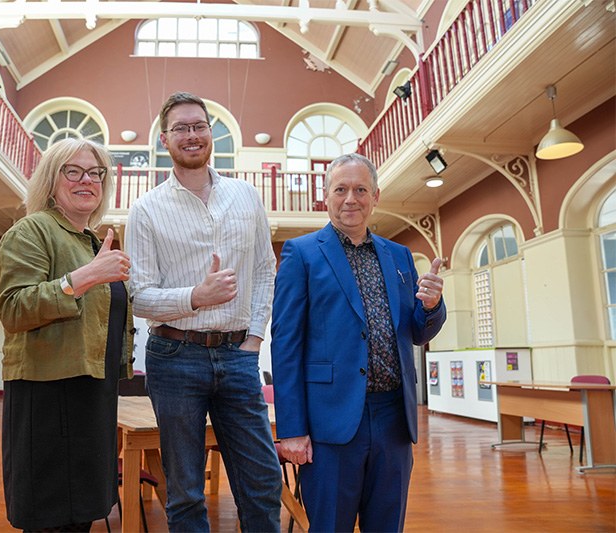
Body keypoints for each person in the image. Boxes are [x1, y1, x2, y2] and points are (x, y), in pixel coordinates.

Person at [126, 91, 282, 532]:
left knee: (262, 480)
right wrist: (196, 296)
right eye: (181, 128)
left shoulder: (246, 196)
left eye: (199, 126)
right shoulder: (146, 209)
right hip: (174, 357)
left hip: (238, 356)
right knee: (186, 490)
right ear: (164, 139)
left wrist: (253, 339)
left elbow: (265, 271)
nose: (191, 135)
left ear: (210, 132)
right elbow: (139, 297)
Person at [271, 153, 446, 533]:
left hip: (394, 419)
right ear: (326, 196)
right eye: (341, 189)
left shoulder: (398, 255)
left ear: (375, 196)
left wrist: (431, 306)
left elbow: (416, 331)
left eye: (360, 189)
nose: (351, 198)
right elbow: (285, 344)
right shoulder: (300, 254)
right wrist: (292, 429)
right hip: (329, 421)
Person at [0, 138, 134, 532]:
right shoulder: (32, 231)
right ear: (51, 181)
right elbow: (14, 308)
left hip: (93, 393)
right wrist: (84, 277)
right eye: (72, 171)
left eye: (95, 172)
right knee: (51, 517)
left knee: (81, 516)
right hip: (47, 395)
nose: (85, 179)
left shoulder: (91, 241)